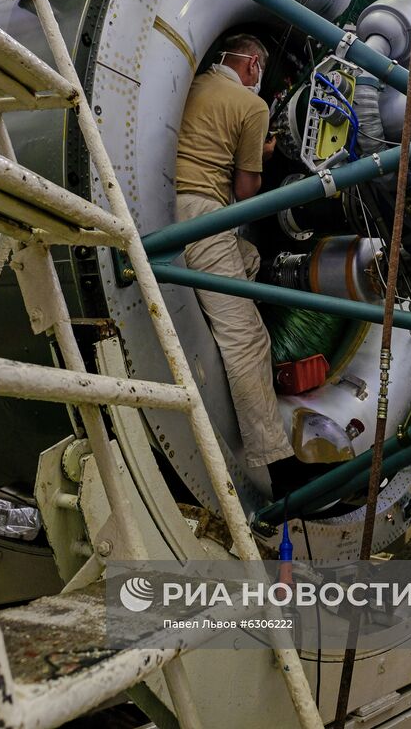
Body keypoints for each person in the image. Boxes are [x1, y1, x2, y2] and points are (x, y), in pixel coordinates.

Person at [175, 32, 296, 486]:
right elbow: (246, 190)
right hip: (201, 215)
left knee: (248, 258)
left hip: (167, 205)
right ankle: (277, 462)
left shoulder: (195, 85)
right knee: (249, 339)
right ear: (252, 65)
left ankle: (216, 310)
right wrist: (262, 153)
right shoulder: (253, 106)